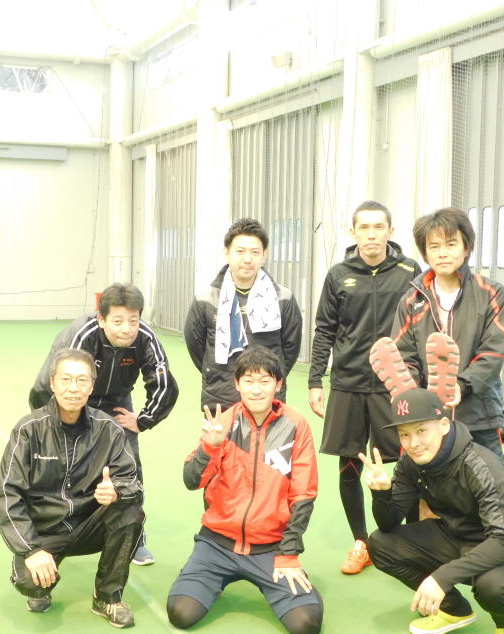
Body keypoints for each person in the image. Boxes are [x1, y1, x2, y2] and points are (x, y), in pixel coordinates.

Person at [359, 356, 504, 633]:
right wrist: (382, 493)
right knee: (379, 544)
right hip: (458, 536)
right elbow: (388, 525)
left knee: (495, 587)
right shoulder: (411, 463)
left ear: (444, 425)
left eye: (421, 431)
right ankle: (454, 610)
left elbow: (503, 540)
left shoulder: (481, 466)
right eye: (404, 434)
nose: (413, 443)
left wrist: (440, 578)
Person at [167, 347, 323, 634]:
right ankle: (208, 577)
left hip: (270, 547)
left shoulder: (296, 426)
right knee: (180, 613)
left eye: (265, 381)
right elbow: (191, 480)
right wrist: (210, 447)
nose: (256, 389)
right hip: (217, 543)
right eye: (249, 381)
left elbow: (304, 494)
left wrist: (288, 553)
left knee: (305, 624)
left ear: (278, 384)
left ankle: (294, 588)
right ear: (237, 384)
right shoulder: (224, 422)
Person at [28, 282, 178, 565]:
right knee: (63, 465)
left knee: (129, 465)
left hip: (117, 402)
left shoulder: (145, 337)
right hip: (75, 398)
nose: (126, 329)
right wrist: (51, 424)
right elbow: (47, 385)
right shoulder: (82, 335)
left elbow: (164, 385)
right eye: (117, 321)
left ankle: (134, 537)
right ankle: (51, 532)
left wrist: (143, 420)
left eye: (133, 321)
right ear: (101, 319)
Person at [308, 200, 420, 575]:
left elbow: (422, 326)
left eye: (378, 227)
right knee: (349, 464)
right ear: (353, 232)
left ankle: (409, 542)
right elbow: (325, 329)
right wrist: (315, 380)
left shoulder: (409, 271)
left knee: (405, 462)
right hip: (349, 383)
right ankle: (361, 542)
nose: (371, 234)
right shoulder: (339, 275)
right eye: (364, 228)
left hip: (395, 385)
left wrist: (417, 379)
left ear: (390, 231)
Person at [0, 348, 144, 628]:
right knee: (30, 584)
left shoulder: (108, 429)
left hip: (89, 525)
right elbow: (7, 494)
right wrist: (30, 550)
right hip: (44, 531)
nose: (73, 388)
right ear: (52, 383)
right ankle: (42, 582)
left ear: (92, 386)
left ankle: (107, 597)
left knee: (130, 512)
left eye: (81, 380)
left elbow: (130, 480)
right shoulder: (29, 430)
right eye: (65, 379)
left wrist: (116, 490)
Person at [390, 207, 504, 456]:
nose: (442, 253)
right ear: (425, 253)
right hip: (427, 419)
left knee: (490, 479)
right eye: (434, 247)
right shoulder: (411, 300)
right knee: (424, 481)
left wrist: (460, 386)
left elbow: (492, 354)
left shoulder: (492, 294)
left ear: (466, 248)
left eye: (451, 244)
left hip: (479, 416)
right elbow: (403, 355)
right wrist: (411, 392)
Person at [184, 218, 303, 412]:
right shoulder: (206, 299)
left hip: (267, 398)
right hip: (221, 397)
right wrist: (218, 374)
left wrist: (266, 379)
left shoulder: (283, 298)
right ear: (227, 253)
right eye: (240, 251)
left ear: (264, 255)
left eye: (255, 252)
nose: (247, 259)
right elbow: (197, 347)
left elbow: (290, 348)